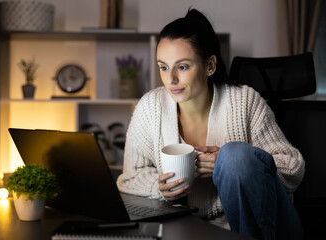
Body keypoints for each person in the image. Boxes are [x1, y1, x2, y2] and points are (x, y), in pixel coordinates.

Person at [116, 8, 304, 240]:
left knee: (234, 156)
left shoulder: (244, 101)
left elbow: (292, 168)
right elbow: (129, 178)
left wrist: (233, 169)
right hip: (189, 228)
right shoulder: (150, 107)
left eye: (182, 66)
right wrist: (160, 188)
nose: (170, 78)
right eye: (163, 67)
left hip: (266, 227)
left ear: (210, 66)